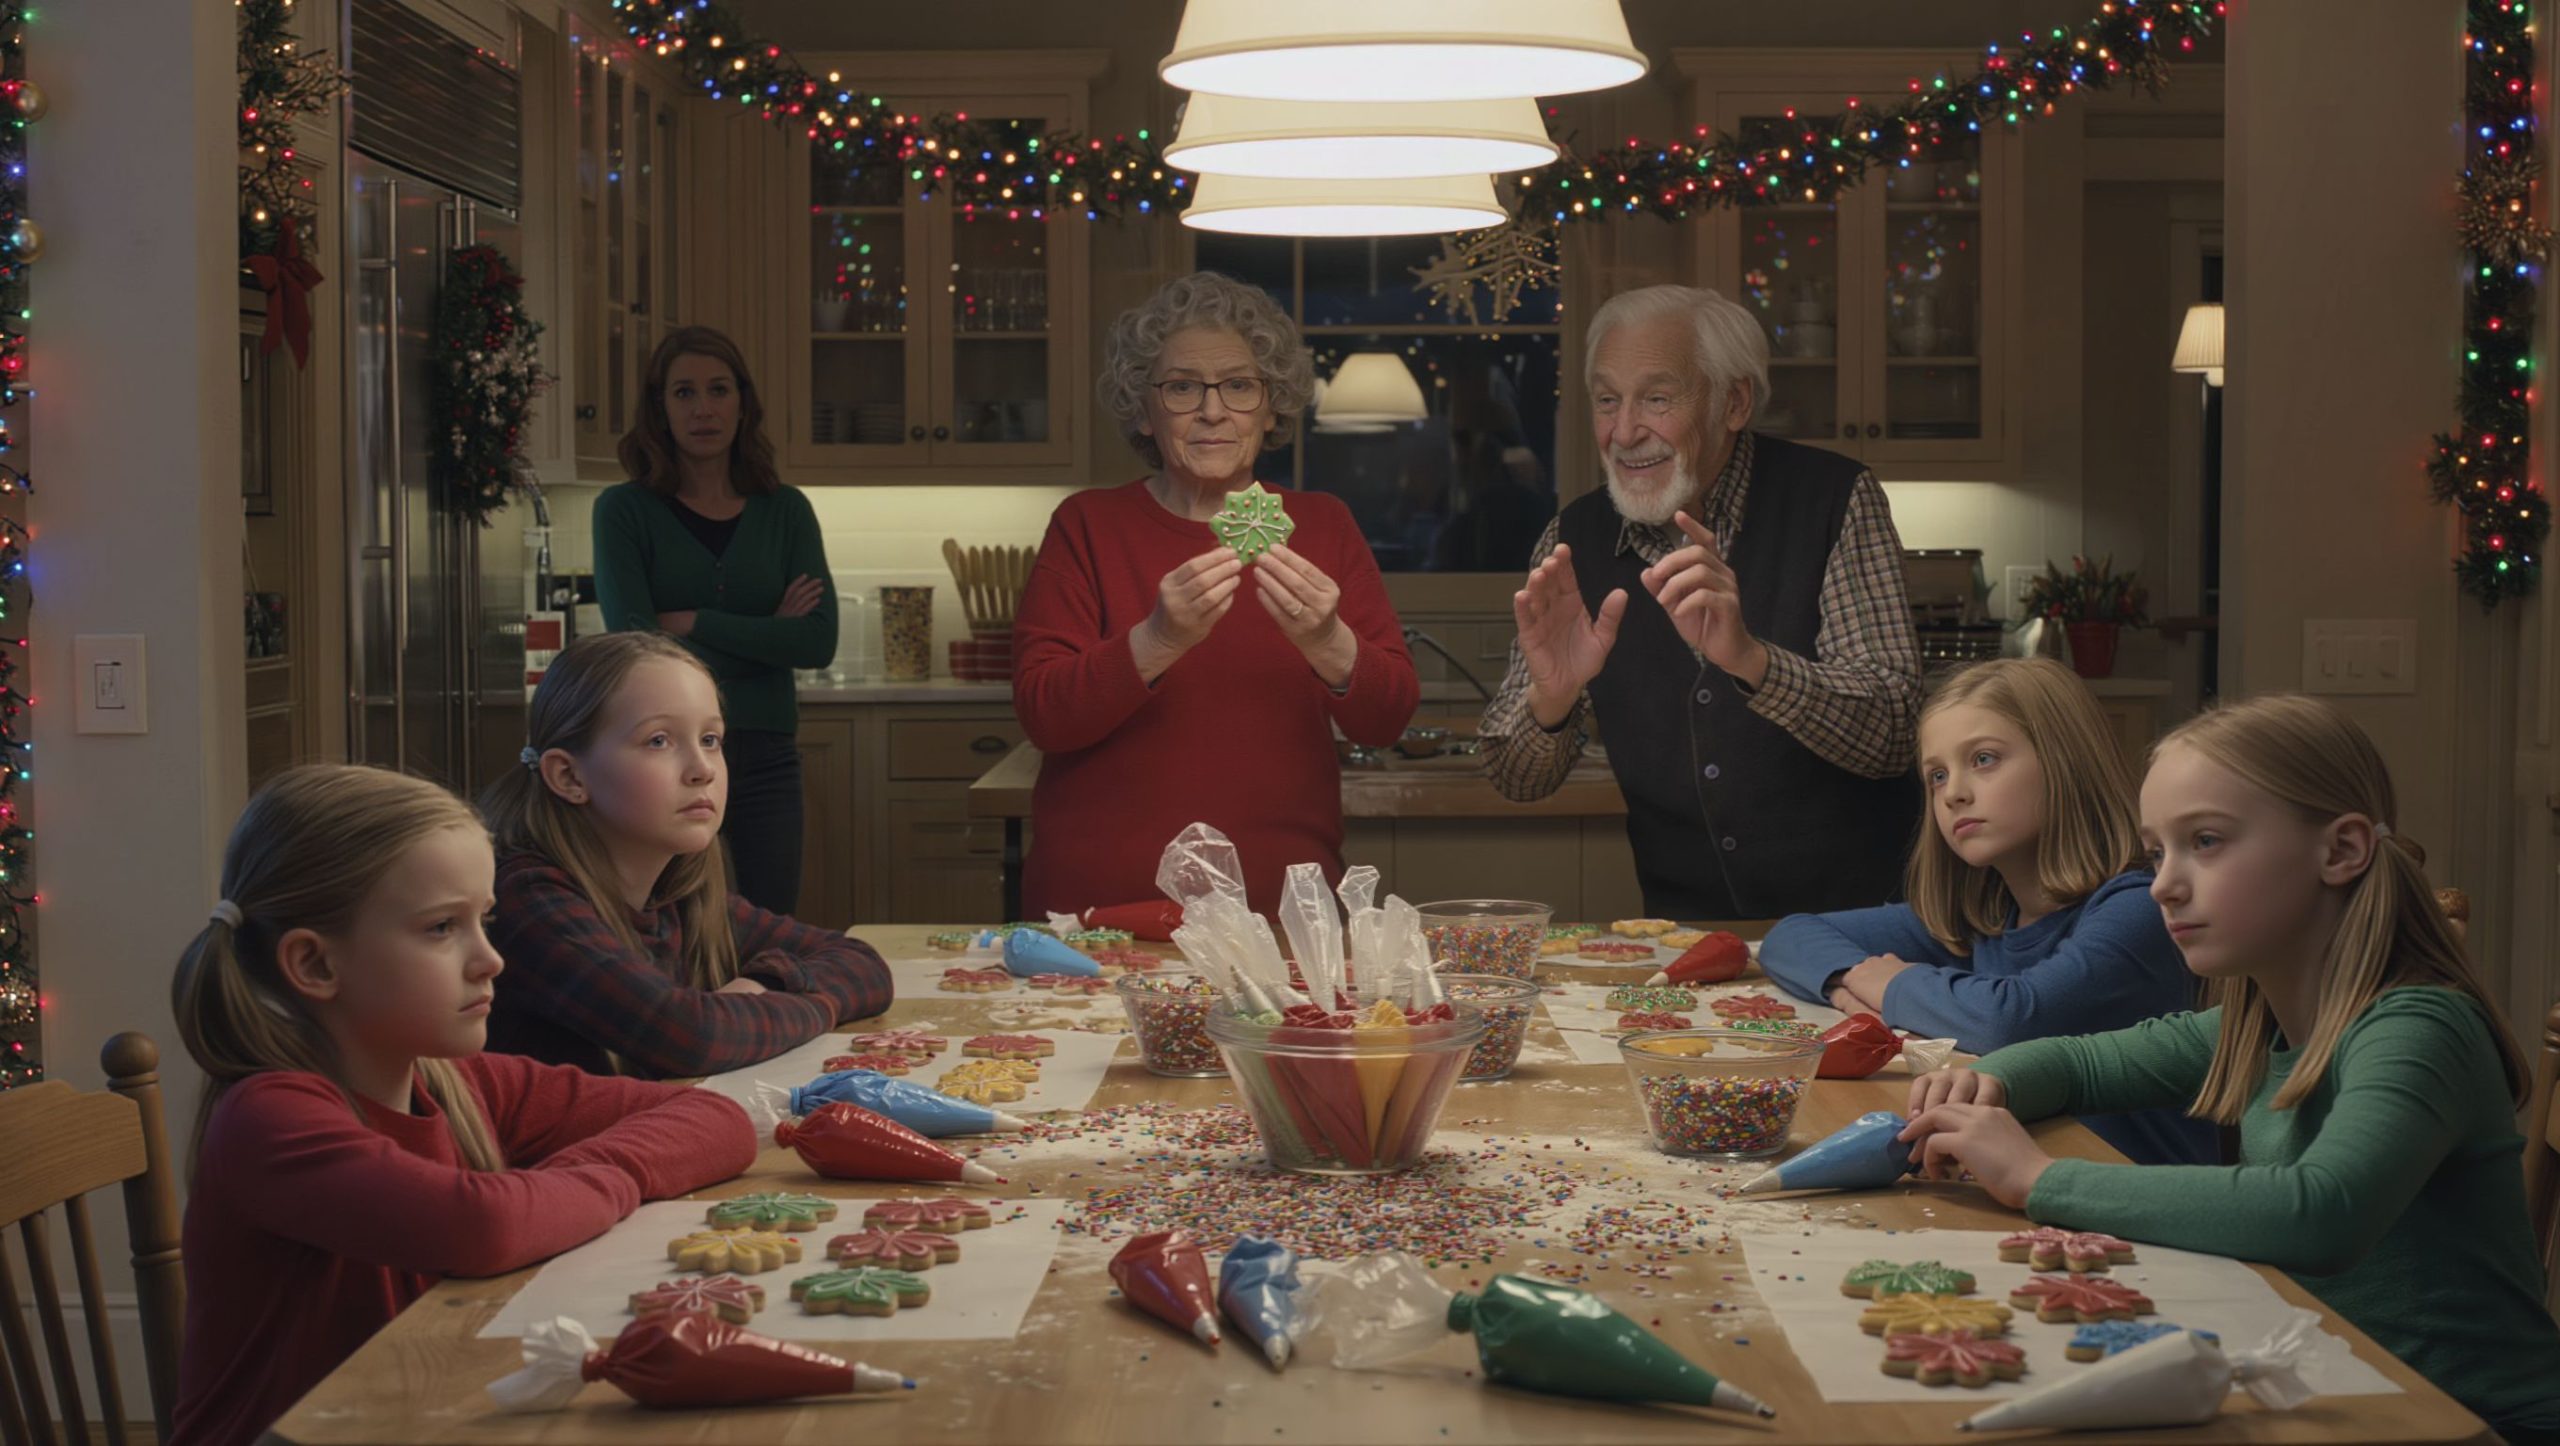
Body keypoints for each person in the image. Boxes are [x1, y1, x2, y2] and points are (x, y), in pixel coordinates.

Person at [1902, 695, 2560, 1441]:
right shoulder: (2254, 1020)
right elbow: (2081, 1061)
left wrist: (2039, 1178)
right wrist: (1990, 1083)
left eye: (2206, 842)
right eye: (2157, 853)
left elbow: (2321, 1212)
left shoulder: (2419, 1024)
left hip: (2468, 1421)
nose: (2163, 885)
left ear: (2341, 851)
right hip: (2329, 1381)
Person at [167, 765, 755, 1446]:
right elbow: (481, 1227)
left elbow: (717, 1119)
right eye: (442, 927)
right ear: (316, 965)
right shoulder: (267, 1118)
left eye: (486, 920)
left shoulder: (459, 1082)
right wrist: (613, 1178)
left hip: (425, 1414)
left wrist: (577, 1176)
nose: (490, 960)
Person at [1478, 284, 1923, 919]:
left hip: (1860, 931)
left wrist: (1752, 661)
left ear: (1734, 402)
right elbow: (1517, 780)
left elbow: (1892, 733)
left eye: (1657, 399)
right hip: (1689, 935)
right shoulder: (1573, 539)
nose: (1625, 431)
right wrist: (1551, 699)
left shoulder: (1835, 501)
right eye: (1608, 400)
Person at [1012, 271, 1420, 913]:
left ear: (1272, 405)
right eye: (1181, 387)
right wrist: (1157, 640)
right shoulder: (1087, 525)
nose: (1211, 410)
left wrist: (1327, 642)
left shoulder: (1323, 525)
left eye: (1238, 386)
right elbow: (1044, 715)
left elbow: (1387, 716)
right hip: (1100, 916)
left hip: (1282, 915)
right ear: (1143, 410)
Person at [1759, 658, 2215, 1164]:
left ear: (2065, 761)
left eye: (1983, 759)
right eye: (1936, 774)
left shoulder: (2139, 907)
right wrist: (1849, 987)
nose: (1953, 792)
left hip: (2134, 1198)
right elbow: (1790, 937)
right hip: (2025, 1174)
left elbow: (2014, 1019)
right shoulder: (1982, 915)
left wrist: (1891, 988)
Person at [482, 631, 891, 1079]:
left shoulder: (675, 894)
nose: (703, 769)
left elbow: (863, 964)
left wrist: (766, 984)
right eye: (659, 740)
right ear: (568, 776)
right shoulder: (527, 897)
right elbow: (690, 1037)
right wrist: (814, 1004)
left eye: (711, 739)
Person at [594, 325, 834, 915]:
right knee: (669, 926)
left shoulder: (787, 510)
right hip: (663, 757)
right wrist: (767, 634)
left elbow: (816, 640)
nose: (703, 408)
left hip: (767, 753)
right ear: (660, 408)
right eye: (683, 393)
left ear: (743, 402)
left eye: (718, 389)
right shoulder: (624, 511)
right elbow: (637, 651)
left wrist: (696, 623)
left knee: (770, 926)